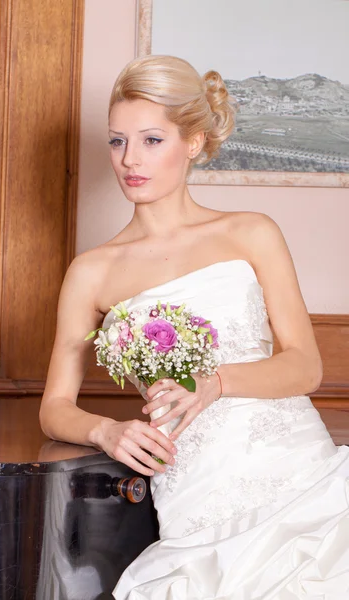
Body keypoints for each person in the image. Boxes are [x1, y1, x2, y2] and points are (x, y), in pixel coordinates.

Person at [40, 55, 349, 599]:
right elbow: (54, 406)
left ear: (196, 142)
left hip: (301, 479)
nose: (129, 160)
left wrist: (218, 381)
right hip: (198, 496)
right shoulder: (91, 271)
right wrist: (104, 431)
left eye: (151, 140)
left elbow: (306, 366)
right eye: (117, 142)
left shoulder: (251, 233)